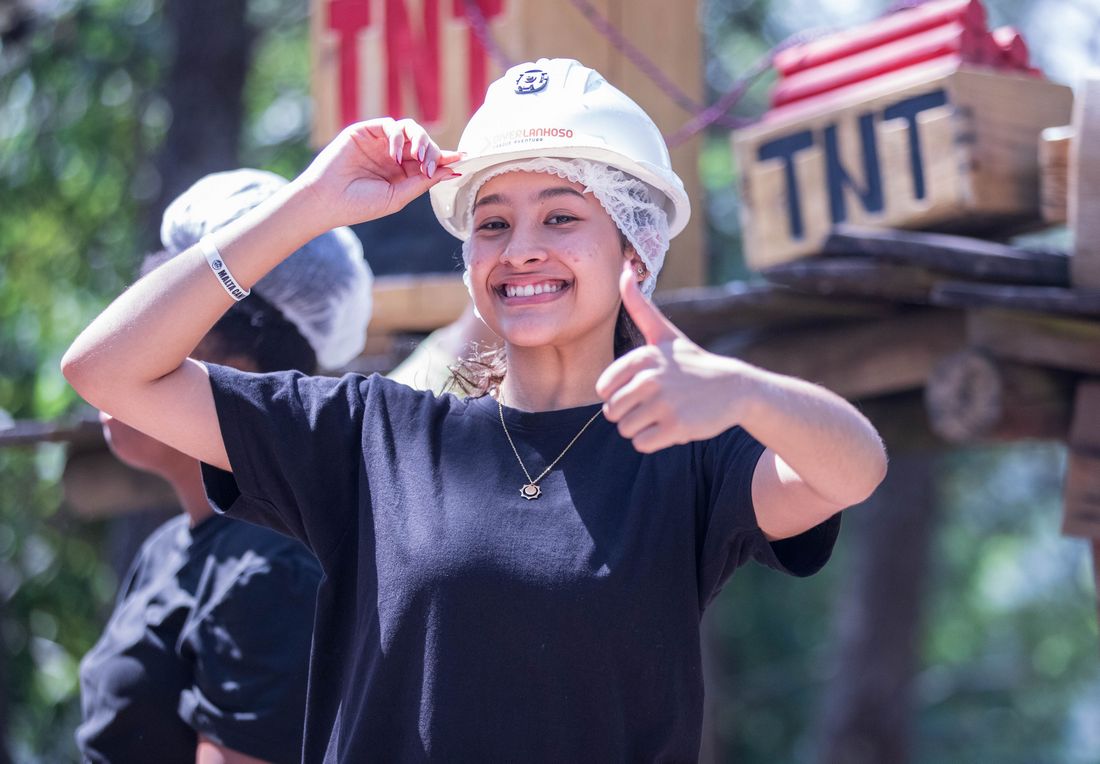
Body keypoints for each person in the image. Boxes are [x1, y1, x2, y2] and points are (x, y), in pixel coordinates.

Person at [63, 59, 888, 761]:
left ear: (634, 250)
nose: (520, 249)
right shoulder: (370, 436)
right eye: (493, 223)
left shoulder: (687, 455)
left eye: (560, 216)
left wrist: (743, 390)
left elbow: (853, 469)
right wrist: (309, 203)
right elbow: (107, 371)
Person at [75, 169, 373, 764]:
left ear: (237, 377)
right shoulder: (170, 547)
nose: (122, 352)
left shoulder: (271, 569)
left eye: (151, 337)